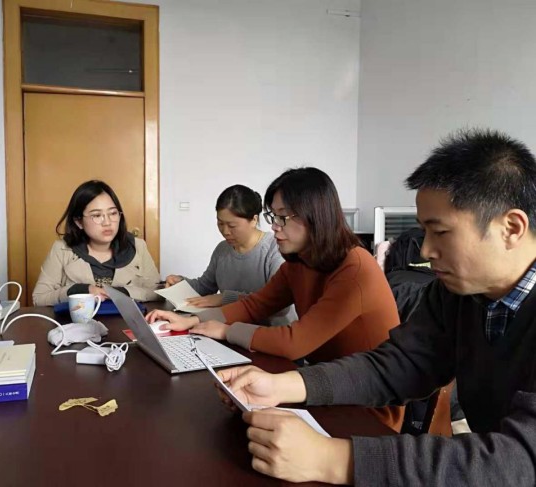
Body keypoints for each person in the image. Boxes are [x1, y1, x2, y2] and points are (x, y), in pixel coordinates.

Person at [217, 129, 536, 486]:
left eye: (441, 232)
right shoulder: (456, 294)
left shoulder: (361, 267)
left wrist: (332, 459)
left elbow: (520, 461)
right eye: (424, 232)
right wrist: (284, 385)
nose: (425, 251)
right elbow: (397, 366)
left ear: (511, 228)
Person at [148, 168, 403, 430]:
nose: (274, 226)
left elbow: (295, 342)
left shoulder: (355, 268)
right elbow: (256, 305)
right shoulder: (299, 262)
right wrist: (193, 321)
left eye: (283, 217)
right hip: (319, 384)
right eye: (273, 216)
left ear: (315, 216)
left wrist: (225, 331)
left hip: (366, 407)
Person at [164, 184, 295, 326]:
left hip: (270, 331)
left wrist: (224, 298)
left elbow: (278, 305)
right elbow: (205, 286)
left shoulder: (275, 249)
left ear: (254, 220)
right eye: (220, 223)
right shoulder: (222, 249)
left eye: (232, 226)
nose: (225, 231)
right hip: (229, 328)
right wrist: (181, 282)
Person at [32, 180, 161, 306]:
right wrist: (80, 290)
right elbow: (39, 298)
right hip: (79, 320)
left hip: (124, 320)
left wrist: (122, 293)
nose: (107, 222)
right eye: (97, 215)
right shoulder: (61, 249)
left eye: (113, 213)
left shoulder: (138, 246)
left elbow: (157, 292)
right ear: (79, 222)